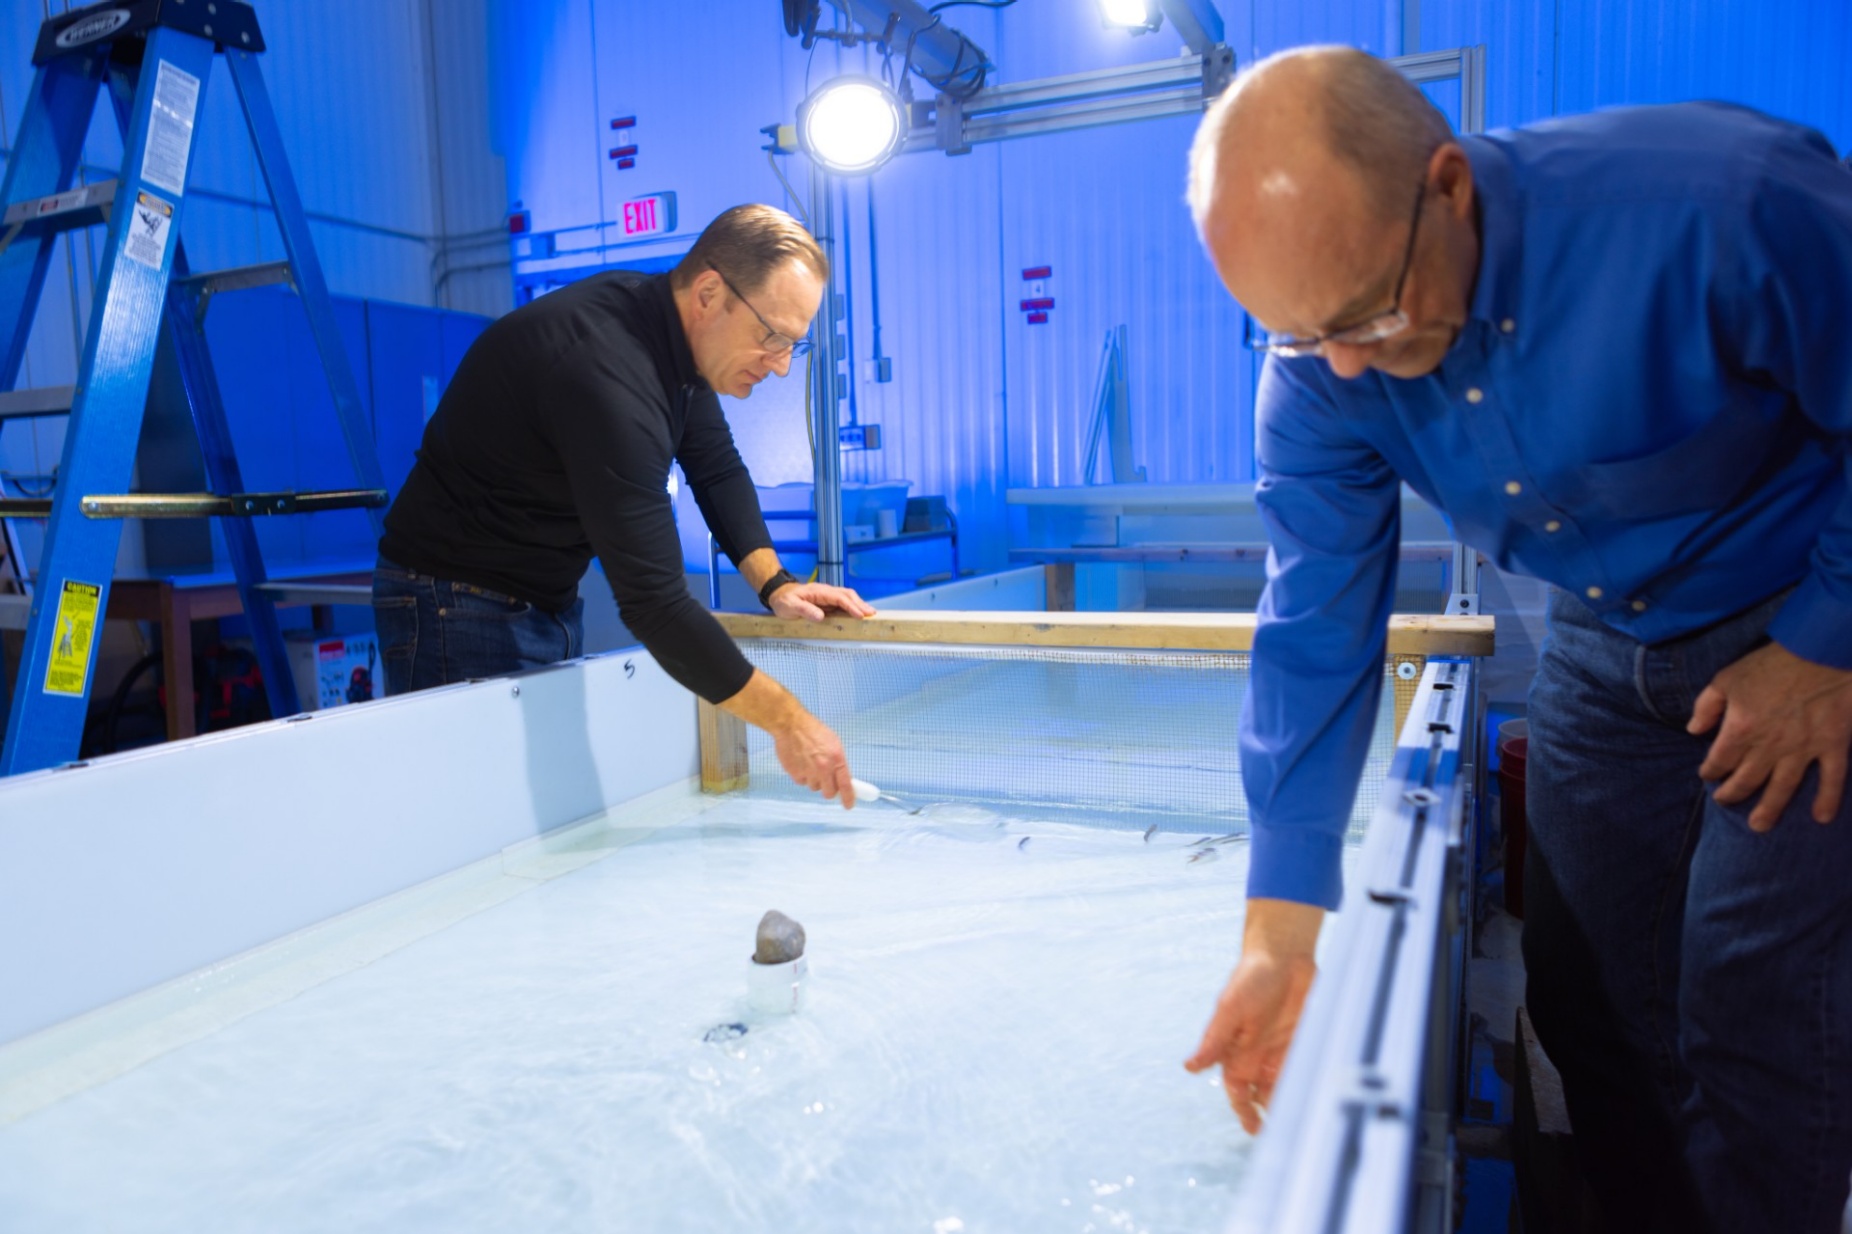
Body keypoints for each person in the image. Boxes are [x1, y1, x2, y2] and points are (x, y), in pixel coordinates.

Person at [1181, 46, 1852, 1232]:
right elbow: (1315, 616)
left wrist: (1822, 647)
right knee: (1584, 991)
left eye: (1368, 314)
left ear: (1446, 184)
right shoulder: (1319, 363)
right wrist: (1278, 933)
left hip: (1804, 601)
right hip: (1602, 634)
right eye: (1296, 335)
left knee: (1749, 996)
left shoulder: (1723, 204)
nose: (1342, 363)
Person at [373, 204, 874, 806]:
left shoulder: (673, 343)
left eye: (796, 343)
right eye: (771, 335)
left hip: (541, 597)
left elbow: (714, 464)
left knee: (540, 812)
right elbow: (656, 604)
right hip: (455, 602)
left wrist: (775, 584)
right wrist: (792, 723)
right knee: (472, 818)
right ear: (710, 293)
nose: (781, 364)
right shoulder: (609, 373)